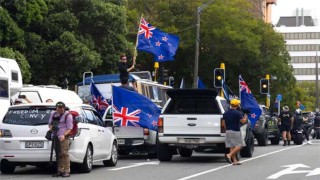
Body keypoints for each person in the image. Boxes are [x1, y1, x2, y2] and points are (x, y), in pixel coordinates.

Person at [48, 101, 73, 177]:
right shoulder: (53, 114)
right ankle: (60, 170)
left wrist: (64, 135)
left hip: (64, 137)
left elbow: (69, 128)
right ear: (56, 108)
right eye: (58, 108)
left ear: (64, 108)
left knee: (64, 153)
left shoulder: (68, 115)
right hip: (55, 136)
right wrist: (51, 127)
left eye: (61, 108)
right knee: (58, 154)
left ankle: (67, 171)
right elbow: (49, 124)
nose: (60, 110)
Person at [222, 99, 247, 165]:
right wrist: (245, 117)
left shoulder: (226, 113)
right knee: (240, 145)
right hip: (235, 131)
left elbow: (223, 123)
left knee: (232, 146)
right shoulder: (238, 113)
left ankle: (234, 161)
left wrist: (226, 129)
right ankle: (229, 155)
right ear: (237, 105)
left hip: (228, 131)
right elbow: (243, 121)